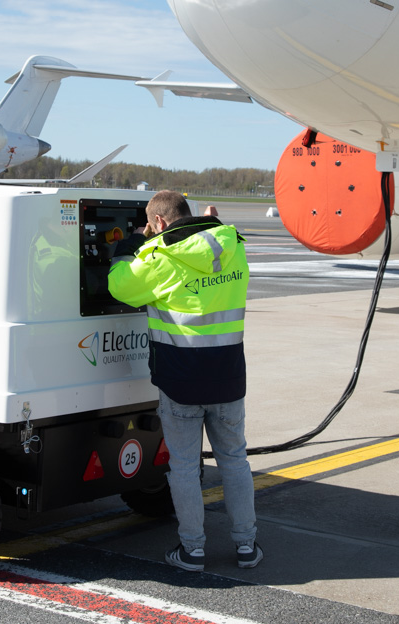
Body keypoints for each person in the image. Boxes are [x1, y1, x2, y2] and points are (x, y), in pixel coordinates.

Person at [107, 190, 261, 571]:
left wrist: (131, 246)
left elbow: (119, 286)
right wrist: (212, 223)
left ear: (158, 222)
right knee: (235, 462)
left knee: (185, 468)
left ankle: (192, 550)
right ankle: (246, 545)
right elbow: (209, 248)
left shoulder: (162, 259)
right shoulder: (233, 246)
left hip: (181, 383)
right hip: (228, 378)